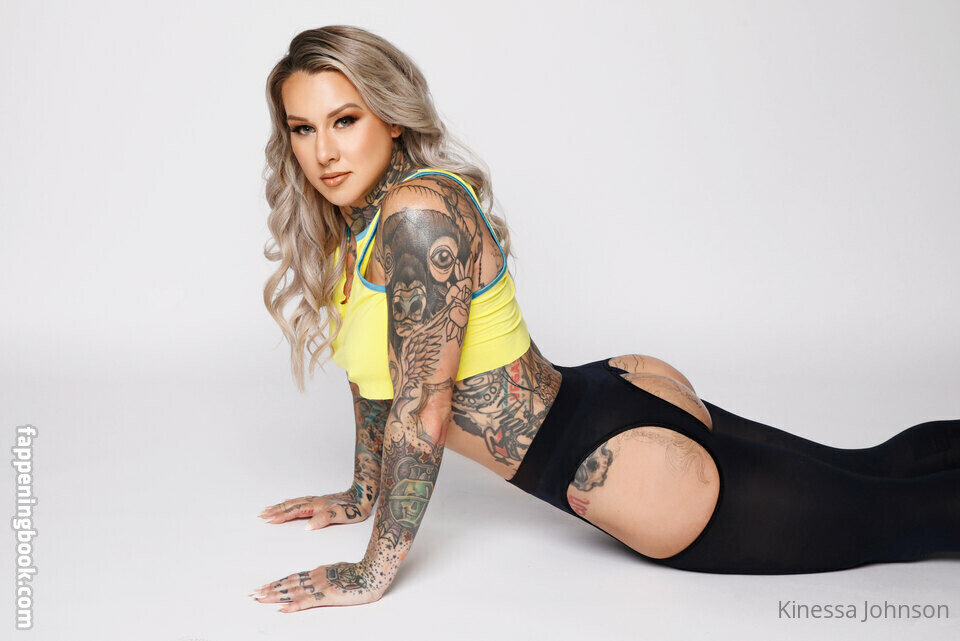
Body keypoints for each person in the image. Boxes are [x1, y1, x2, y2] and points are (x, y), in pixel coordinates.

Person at [250, 25, 960, 612]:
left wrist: (372, 570)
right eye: (303, 129)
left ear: (392, 114)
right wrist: (362, 492)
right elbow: (376, 379)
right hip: (605, 401)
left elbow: (423, 408)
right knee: (877, 471)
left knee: (899, 517)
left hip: (620, 464)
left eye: (345, 120)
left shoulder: (415, 216)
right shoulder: (360, 225)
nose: (324, 151)